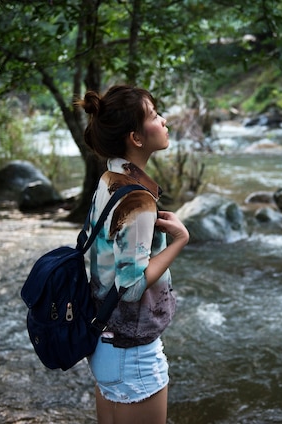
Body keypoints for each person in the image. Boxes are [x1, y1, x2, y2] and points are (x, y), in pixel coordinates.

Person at [75, 84, 189, 424]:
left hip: (104, 343)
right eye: (154, 116)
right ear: (136, 138)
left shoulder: (110, 178)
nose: (164, 120)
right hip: (132, 353)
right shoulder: (137, 201)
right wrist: (180, 240)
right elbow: (132, 285)